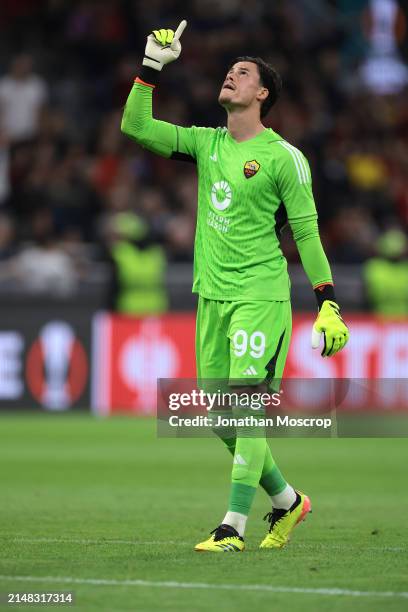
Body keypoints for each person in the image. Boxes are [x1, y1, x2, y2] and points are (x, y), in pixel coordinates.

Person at [121, 21, 349, 552]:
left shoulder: (284, 158)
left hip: (261, 295)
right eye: (229, 71)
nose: (230, 75)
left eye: (242, 73)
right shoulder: (205, 144)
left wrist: (327, 300)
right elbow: (135, 127)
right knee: (220, 415)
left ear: (261, 93)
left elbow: (307, 232)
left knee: (245, 408)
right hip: (213, 297)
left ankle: (233, 527)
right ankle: (289, 502)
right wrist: (151, 66)